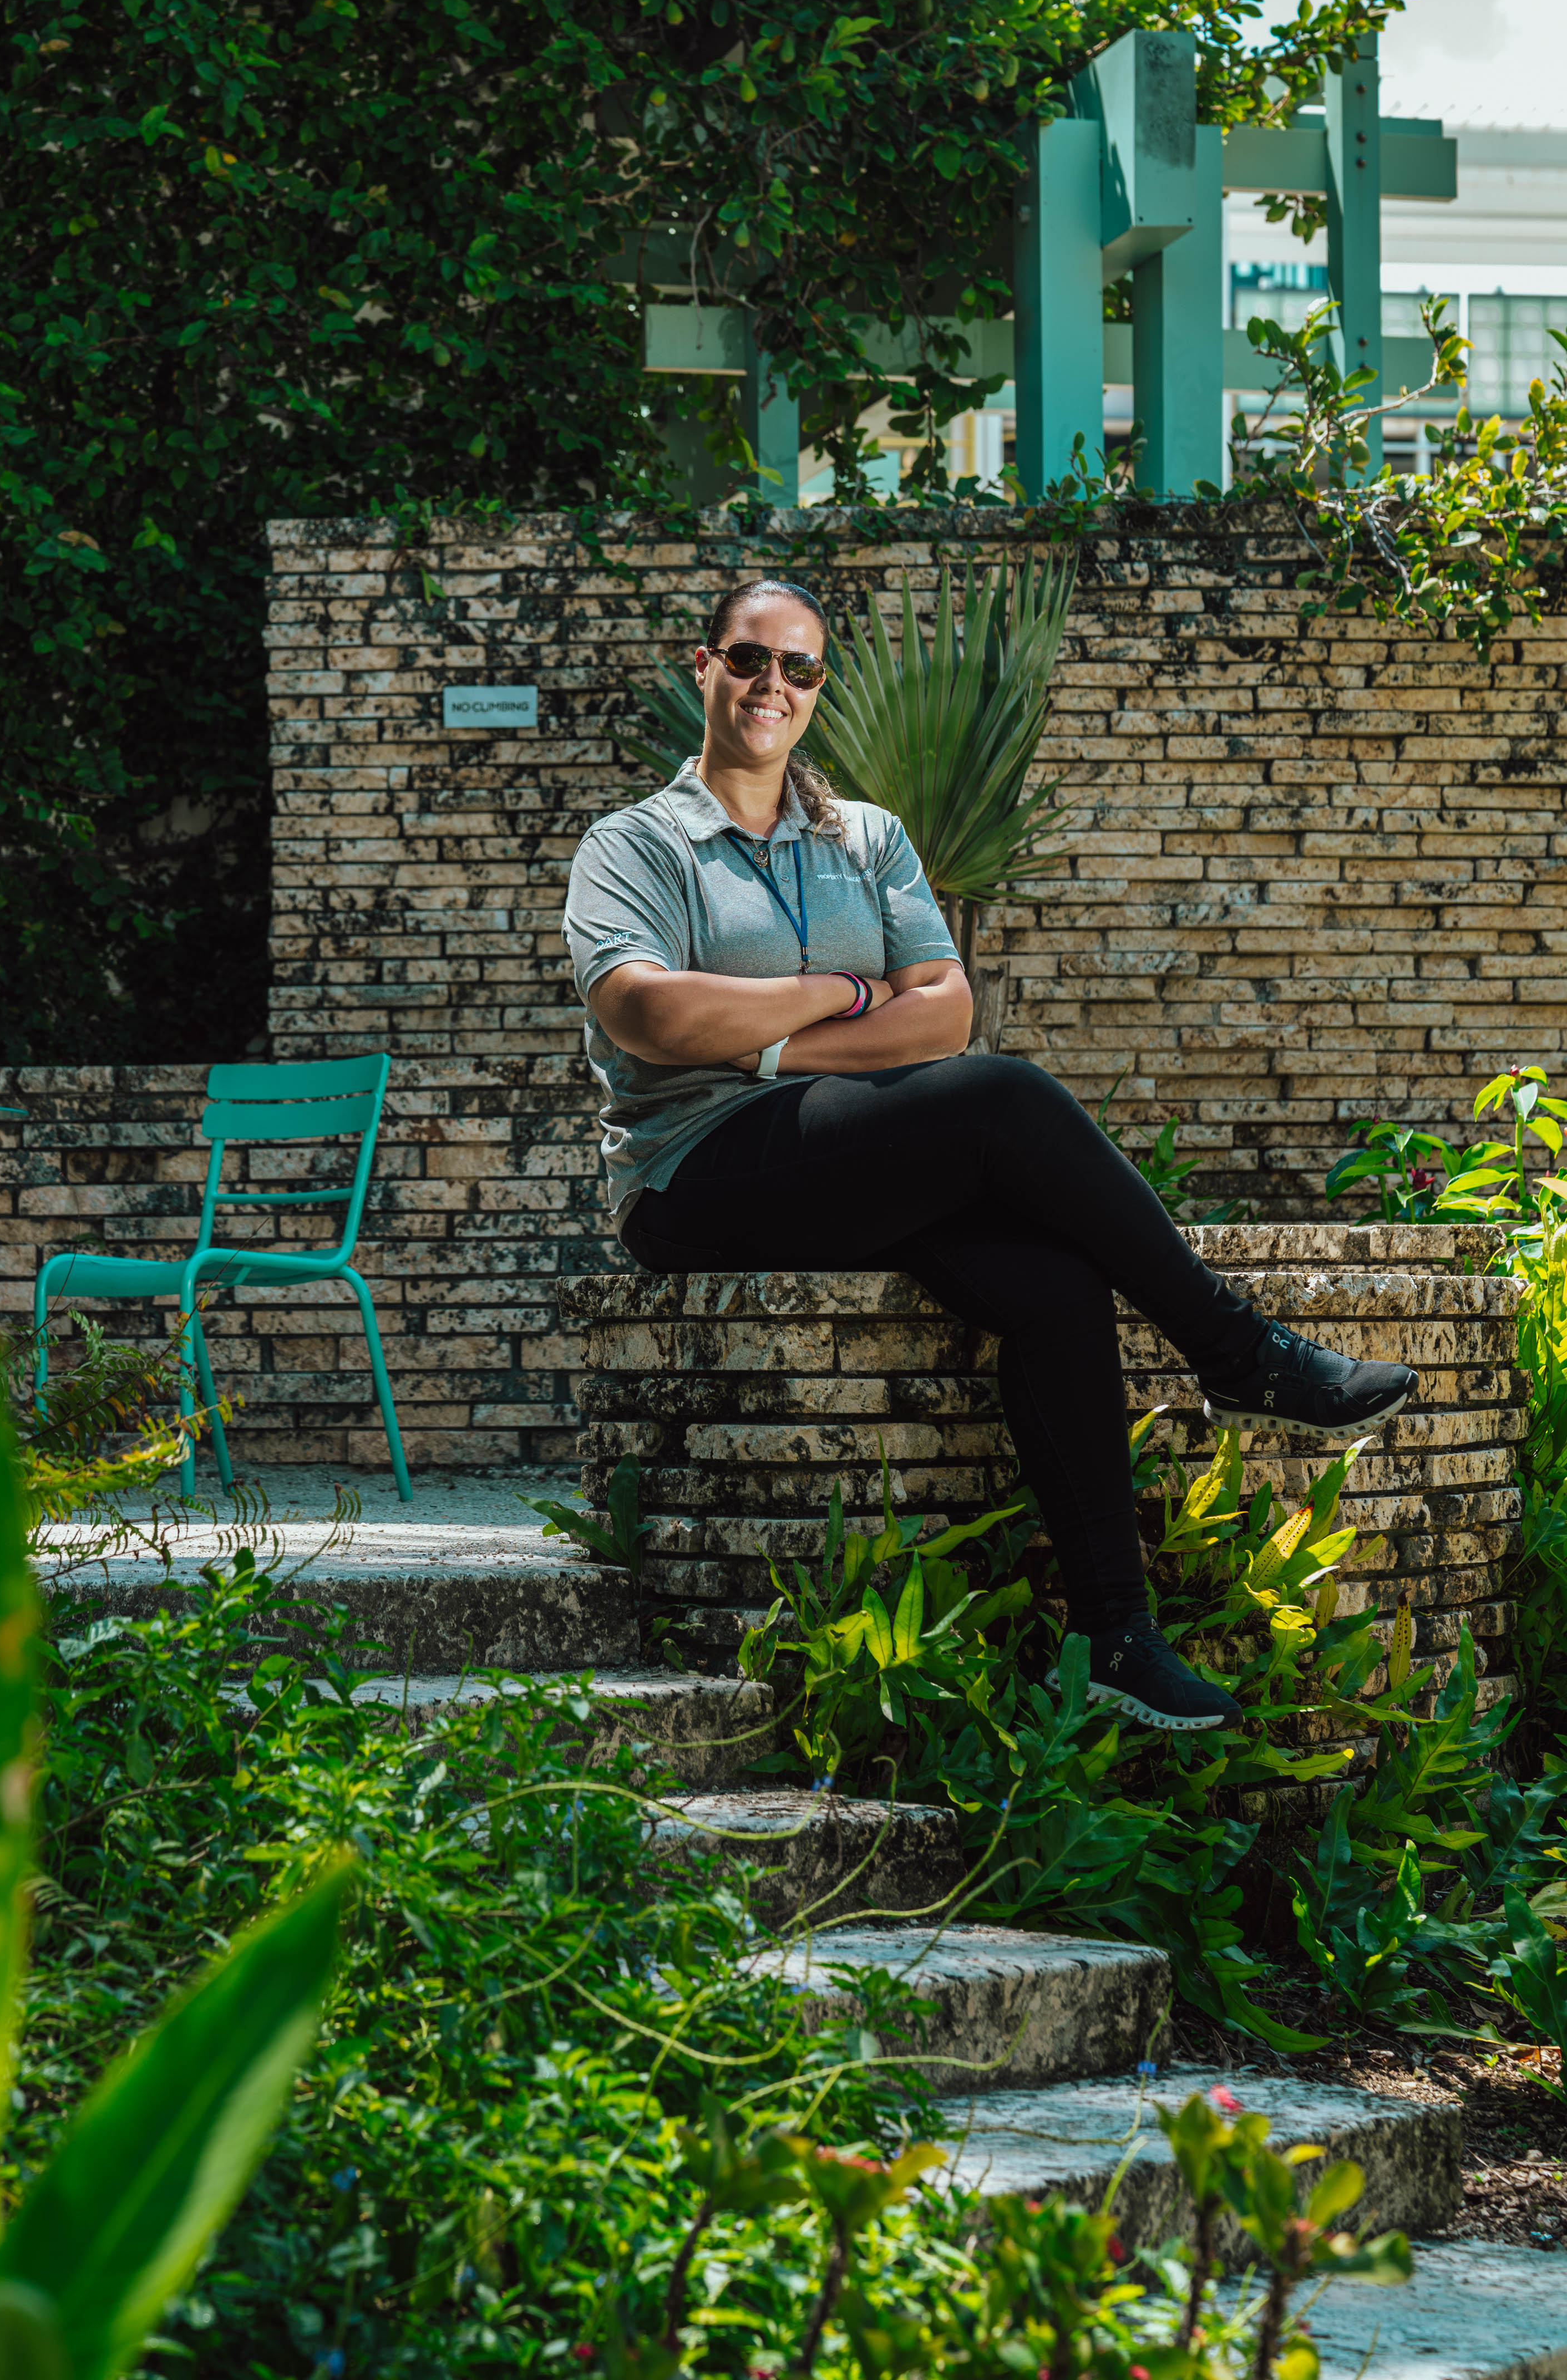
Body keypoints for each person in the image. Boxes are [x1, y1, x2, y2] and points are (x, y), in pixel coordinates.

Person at [561, 572, 1418, 1735]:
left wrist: (769, 1042)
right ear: (703, 666)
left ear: (819, 688)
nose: (774, 686)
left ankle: (1113, 1632)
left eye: (799, 667)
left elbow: (943, 1018)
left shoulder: (864, 839)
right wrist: (839, 992)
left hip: (833, 1151)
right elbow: (652, 1021)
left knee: (1053, 1285)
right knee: (1003, 1102)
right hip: (692, 1171)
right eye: (751, 660)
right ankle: (1232, 1351)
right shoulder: (635, 845)